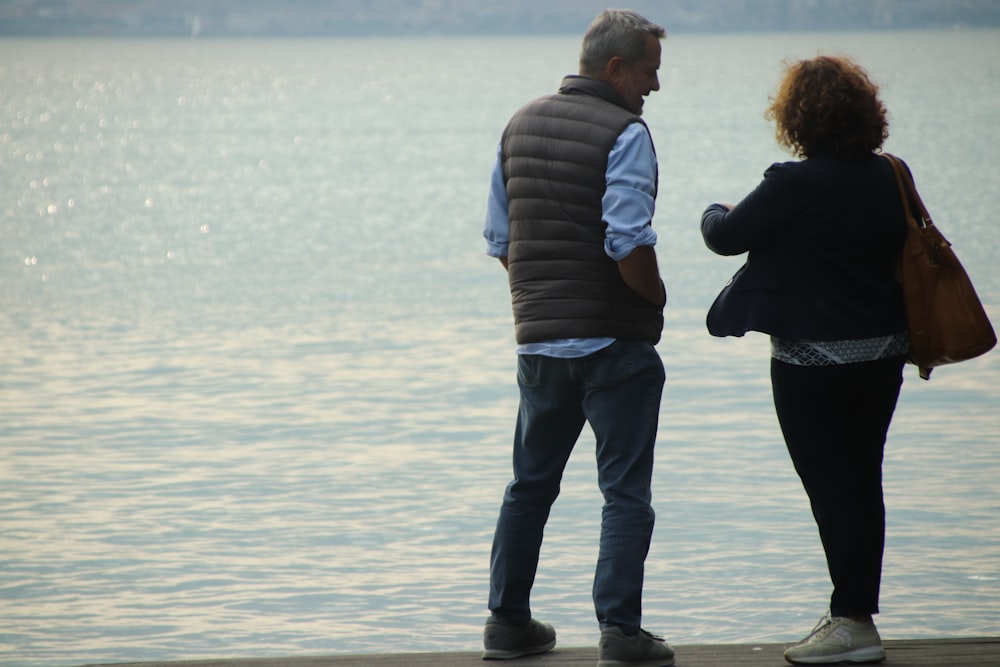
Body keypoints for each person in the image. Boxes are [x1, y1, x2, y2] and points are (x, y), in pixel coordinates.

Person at [481, 8, 675, 667]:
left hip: (539, 342)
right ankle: (621, 632)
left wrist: (544, 302)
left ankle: (507, 622)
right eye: (649, 70)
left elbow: (500, 240)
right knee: (625, 491)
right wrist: (654, 295)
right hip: (614, 343)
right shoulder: (626, 131)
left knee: (528, 485)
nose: (654, 85)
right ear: (615, 68)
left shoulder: (519, 124)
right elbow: (627, 238)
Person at [700, 55, 910, 665]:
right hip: (884, 355)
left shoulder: (793, 184)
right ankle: (855, 615)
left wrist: (710, 210)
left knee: (829, 486)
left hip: (811, 364)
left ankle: (850, 622)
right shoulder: (889, 176)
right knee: (863, 478)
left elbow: (726, 236)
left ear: (797, 117)